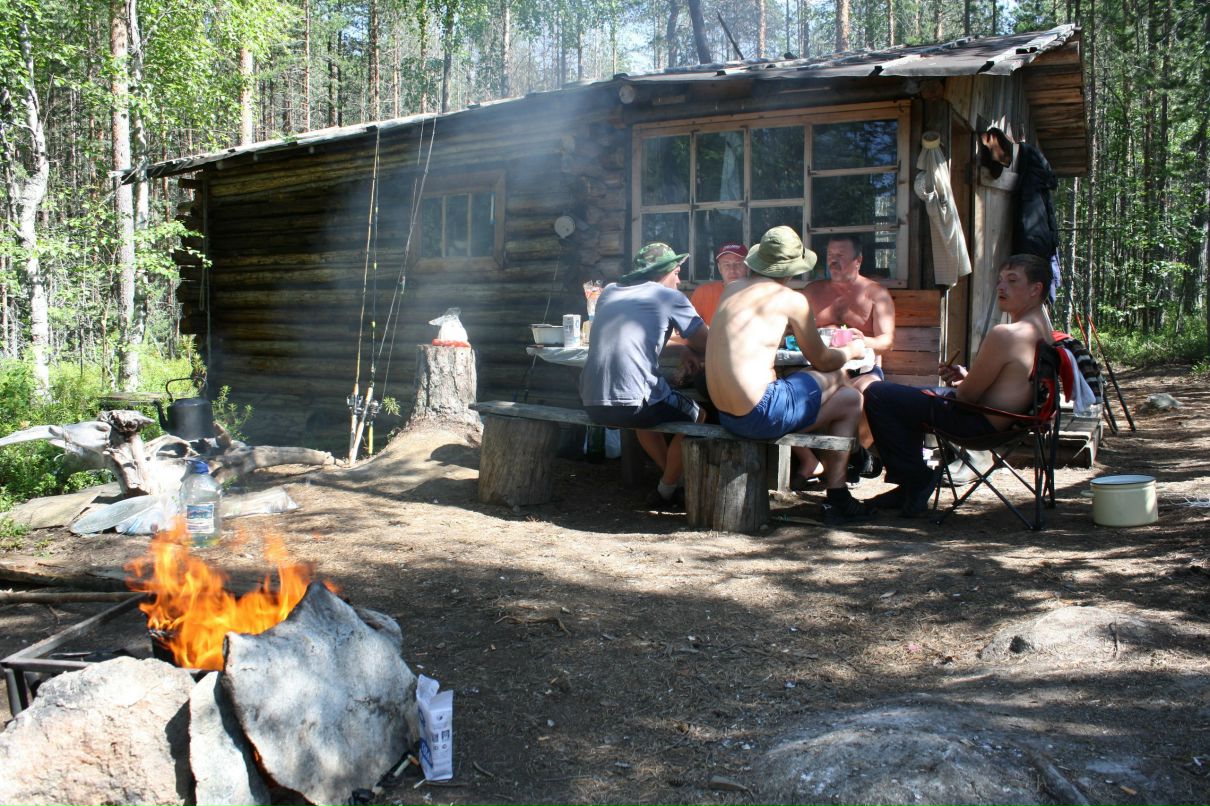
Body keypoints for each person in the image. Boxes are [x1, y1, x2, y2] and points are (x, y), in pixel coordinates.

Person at [861, 254, 1054, 517]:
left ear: (1036, 289)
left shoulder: (1006, 334)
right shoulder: (1046, 332)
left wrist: (964, 383)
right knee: (907, 397)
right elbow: (1011, 381)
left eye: (1012, 280)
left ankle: (915, 481)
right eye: (999, 280)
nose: (1001, 287)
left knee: (879, 394)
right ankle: (910, 483)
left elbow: (966, 396)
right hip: (1010, 421)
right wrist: (967, 375)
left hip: (979, 425)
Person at [705, 226, 873, 525]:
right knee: (838, 375)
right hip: (761, 411)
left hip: (726, 414)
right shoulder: (791, 300)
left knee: (850, 399)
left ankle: (838, 496)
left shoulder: (733, 289)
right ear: (793, 268)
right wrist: (854, 350)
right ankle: (855, 456)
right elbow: (823, 359)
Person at [580, 243, 708, 509]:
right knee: (700, 416)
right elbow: (707, 343)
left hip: (592, 403)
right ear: (666, 272)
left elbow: (641, 334)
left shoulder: (609, 293)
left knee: (643, 418)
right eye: (677, 272)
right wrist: (690, 347)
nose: (680, 280)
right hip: (636, 403)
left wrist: (682, 347)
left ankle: (669, 481)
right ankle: (667, 488)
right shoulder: (668, 296)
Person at [795, 234, 895, 481]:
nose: (833, 262)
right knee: (787, 393)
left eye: (840, 256)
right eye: (830, 256)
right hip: (820, 368)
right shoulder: (812, 291)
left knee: (862, 395)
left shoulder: (876, 294)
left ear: (858, 260)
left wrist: (861, 341)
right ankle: (810, 460)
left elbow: (886, 341)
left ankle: (852, 456)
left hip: (862, 369)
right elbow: (792, 330)